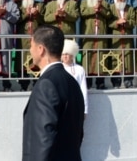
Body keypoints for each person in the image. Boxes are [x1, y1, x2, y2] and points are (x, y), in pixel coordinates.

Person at [22, 26, 85, 161]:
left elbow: (43, 139)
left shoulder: (46, 84)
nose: (30, 50)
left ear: (41, 50)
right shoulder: (71, 82)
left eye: (31, 46)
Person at [61, 39, 89, 117]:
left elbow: (83, 90)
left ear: (72, 55)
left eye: (67, 54)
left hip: (75, 103)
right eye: (63, 54)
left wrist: (85, 110)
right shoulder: (58, 68)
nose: (65, 56)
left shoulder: (79, 69)